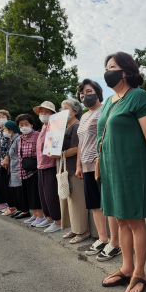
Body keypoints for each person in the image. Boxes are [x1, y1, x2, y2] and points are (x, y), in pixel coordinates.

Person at [99, 51, 146, 292]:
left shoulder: (138, 96)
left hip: (132, 167)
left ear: (126, 70)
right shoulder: (108, 101)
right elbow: (102, 135)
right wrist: (98, 165)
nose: (108, 71)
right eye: (106, 67)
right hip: (110, 167)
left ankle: (140, 272)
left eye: (112, 67)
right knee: (120, 220)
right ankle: (126, 268)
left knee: (135, 221)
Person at [75, 79, 121, 260]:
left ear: (98, 92)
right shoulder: (84, 116)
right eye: (82, 93)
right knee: (94, 204)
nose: (85, 95)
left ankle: (115, 243)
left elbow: (110, 135)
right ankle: (102, 238)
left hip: (101, 165)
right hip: (86, 166)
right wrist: (79, 165)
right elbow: (81, 142)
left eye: (89, 91)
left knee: (108, 204)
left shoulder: (104, 110)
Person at [54, 98, 90, 243]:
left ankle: (83, 231)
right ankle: (75, 228)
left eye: (66, 108)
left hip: (73, 169)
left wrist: (58, 154)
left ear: (75, 111)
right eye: (61, 108)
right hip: (64, 169)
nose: (62, 111)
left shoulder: (77, 126)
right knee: (67, 200)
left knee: (77, 201)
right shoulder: (63, 127)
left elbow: (76, 148)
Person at [33, 101, 62, 232]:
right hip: (41, 165)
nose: (43, 114)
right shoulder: (43, 127)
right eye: (41, 112)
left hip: (50, 164)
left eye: (46, 112)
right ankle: (49, 217)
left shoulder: (55, 127)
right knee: (43, 194)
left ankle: (58, 220)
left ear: (52, 114)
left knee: (51, 194)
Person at [14, 114, 41, 221]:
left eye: (26, 124)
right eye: (21, 124)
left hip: (34, 169)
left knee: (35, 193)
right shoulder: (21, 138)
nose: (24, 126)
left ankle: (40, 216)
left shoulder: (37, 135)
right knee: (28, 193)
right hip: (24, 169)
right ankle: (35, 215)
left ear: (32, 124)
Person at [7, 126, 26, 218]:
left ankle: (23, 210)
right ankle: (19, 209)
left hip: (18, 167)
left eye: (6, 129)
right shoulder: (12, 140)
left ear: (11, 130)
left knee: (19, 190)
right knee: (14, 189)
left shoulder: (18, 139)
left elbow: (20, 154)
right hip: (13, 167)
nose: (4, 131)